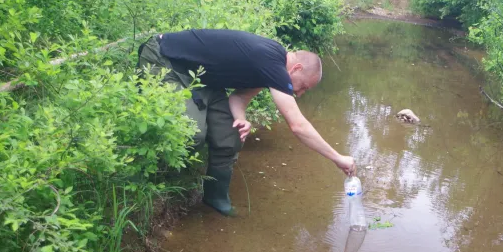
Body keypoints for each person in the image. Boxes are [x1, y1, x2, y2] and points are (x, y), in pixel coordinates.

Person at [137, 29, 357, 216]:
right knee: (192, 134)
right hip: (164, 60)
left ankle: (215, 198)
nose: (298, 93)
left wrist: (241, 119)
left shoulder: (269, 66)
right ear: (296, 69)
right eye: (303, 87)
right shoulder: (271, 62)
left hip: (203, 80)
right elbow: (297, 125)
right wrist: (337, 158)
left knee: (230, 136)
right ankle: (151, 182)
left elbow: (239, 98)